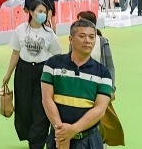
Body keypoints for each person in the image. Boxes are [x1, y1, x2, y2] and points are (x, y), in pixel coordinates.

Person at [41, 19, 114, 149]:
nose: (88, 40)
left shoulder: (103, 73)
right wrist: (61, 134)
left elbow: (100, 109)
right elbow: (47, 99)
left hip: (89, 141)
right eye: (82, 36)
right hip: (58, 138)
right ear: (71, 39)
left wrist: (72, 131)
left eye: (92, 37)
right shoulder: (52, 64)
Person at [1, 0, 62, 149]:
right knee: (23, 106)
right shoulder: (20, 30)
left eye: (45, 12)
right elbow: (15, 53)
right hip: (23, 71)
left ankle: (37, 142)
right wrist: (8, 74)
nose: (43, 15)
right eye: (40, 11)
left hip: (43, 72)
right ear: (31, 12)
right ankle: (29, 137)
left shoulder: (49, 34)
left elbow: (58, 56)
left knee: (41, 107)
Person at [75, 11, 114, 82]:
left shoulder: (103, 42)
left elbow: (110, 67)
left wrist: (111, 85)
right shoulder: (74, 42)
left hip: (99, 82)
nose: (77, 25)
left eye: (81, 22)